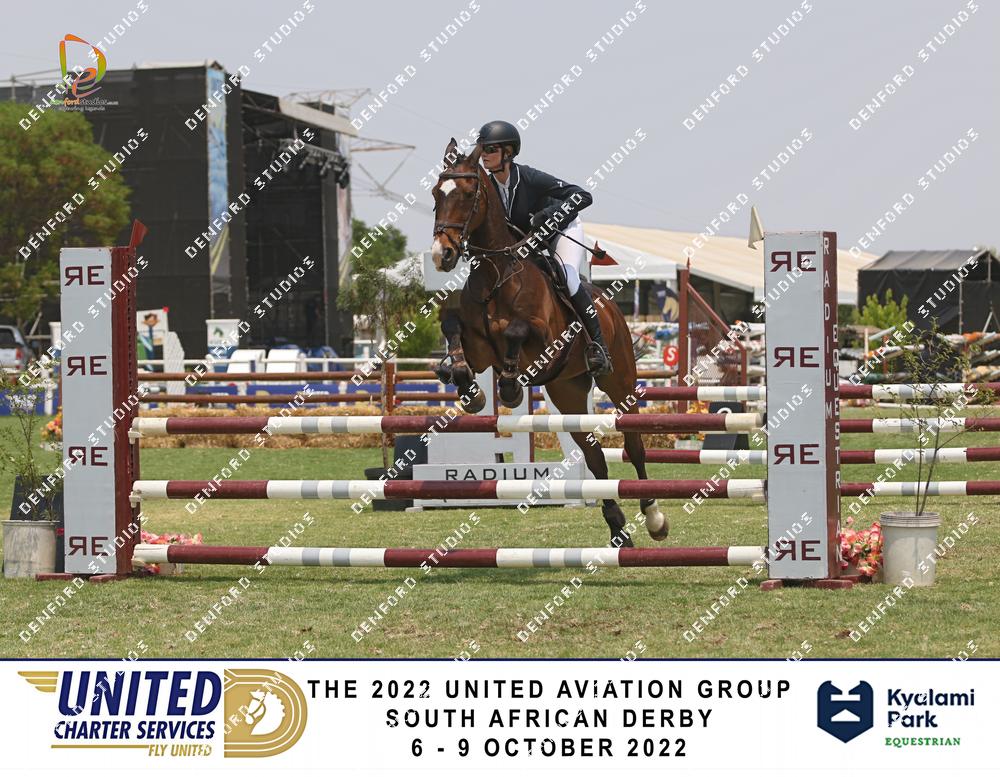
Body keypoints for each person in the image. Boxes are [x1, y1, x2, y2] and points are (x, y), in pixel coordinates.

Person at [477, 120, 610, 376]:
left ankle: (598, 346)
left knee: (568, 278)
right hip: (528, 241)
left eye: (491, 149)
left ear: (508, 153)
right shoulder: (489, 187)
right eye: (482, 149)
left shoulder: (529, 177)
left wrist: (550, 214)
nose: (484, 155)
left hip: (562, 230)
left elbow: (582, 196)